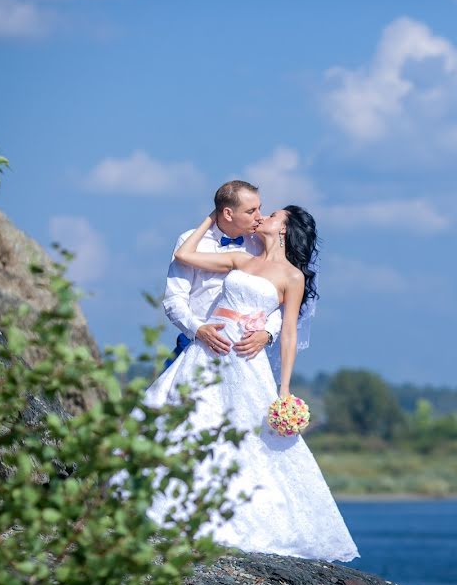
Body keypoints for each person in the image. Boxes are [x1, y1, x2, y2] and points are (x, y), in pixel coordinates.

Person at [141, 204, 359, 561]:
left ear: (284, 230)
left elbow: (288, 332)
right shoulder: (241, 256)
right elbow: (184, 255)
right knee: (190, 423)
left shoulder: (292, 277)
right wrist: (212, 217)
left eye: (271, 215)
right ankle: (174, 511)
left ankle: (236, 520)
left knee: (246, 437)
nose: (262, 217)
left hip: (246, 359)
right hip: (208, 349)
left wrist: (284, 388)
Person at [162, 180, 281, 372]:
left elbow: (278, 297)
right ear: (227, 213)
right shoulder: (190, 242)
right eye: (251, 211)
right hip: (194, 344)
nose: (259, 217)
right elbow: (174, 299)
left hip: (244, 353)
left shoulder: (260, 244)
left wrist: (268, 333)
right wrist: (198, 329)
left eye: (260, 209)